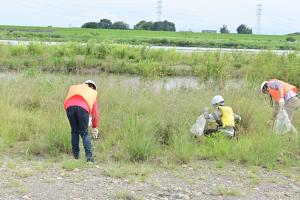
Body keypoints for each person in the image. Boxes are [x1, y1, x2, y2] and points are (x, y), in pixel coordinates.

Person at [64, 80, 99, 162]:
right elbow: (95, 113)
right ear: (93, 87)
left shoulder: (74, 87)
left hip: (69, 107)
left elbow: (67, 100)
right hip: (82, 108)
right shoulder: (93, 93)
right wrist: (94, 126)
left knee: (74, 131)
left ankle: (76, 156)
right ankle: (89, 158)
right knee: (84, 133)